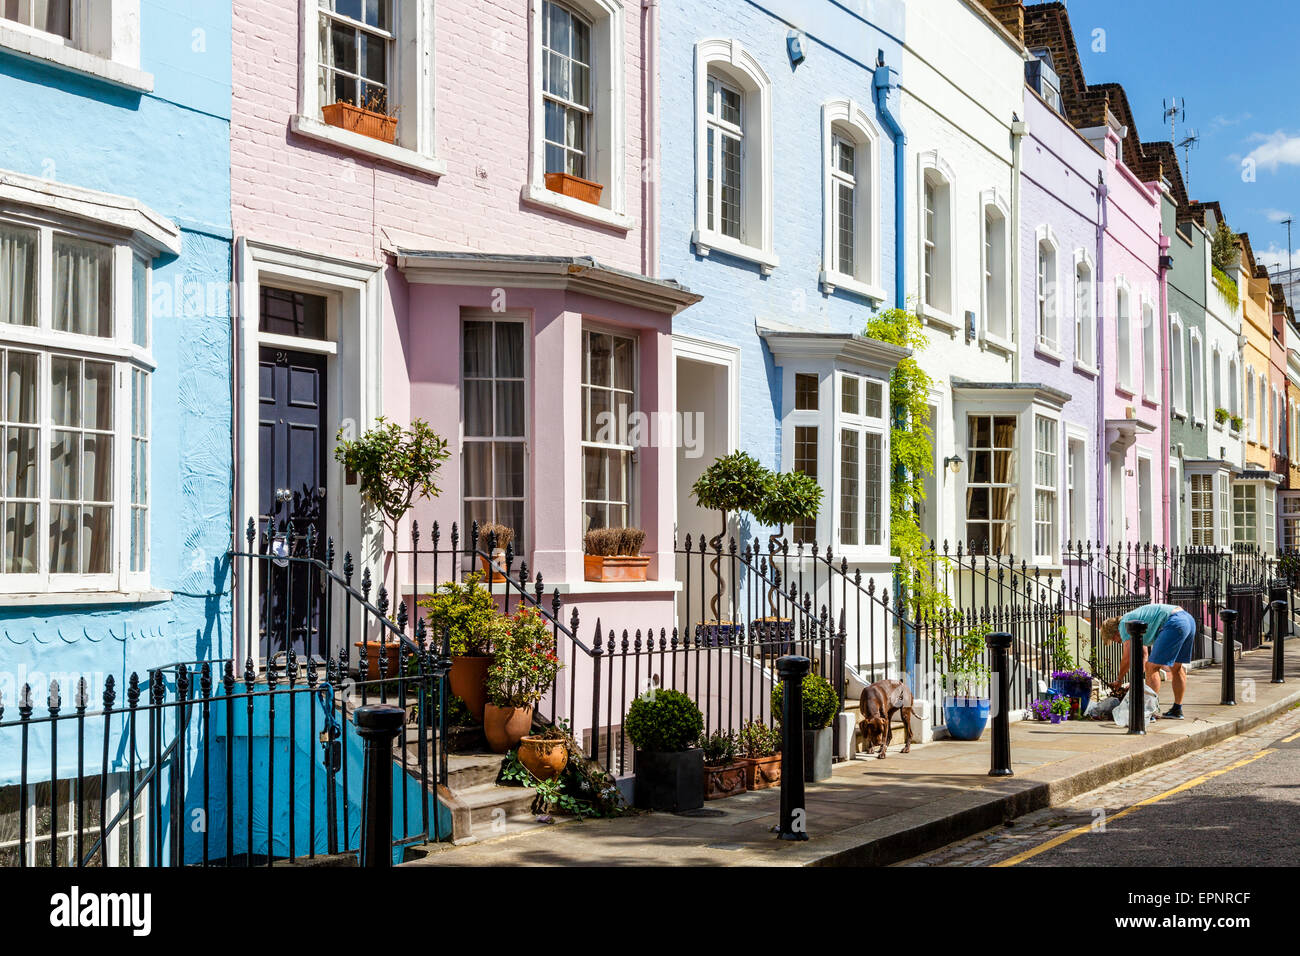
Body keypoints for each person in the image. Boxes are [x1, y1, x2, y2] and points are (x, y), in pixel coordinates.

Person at [1100, 603, 1197, 719]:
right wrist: (1136, 680)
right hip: (1187, 620)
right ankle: (1177, 709)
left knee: (1152, 667)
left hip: (1173, 622)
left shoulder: (1124, 625)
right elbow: (1143, 655)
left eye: (1114, 640)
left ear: (1114, 632)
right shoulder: (1133, 620)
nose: (1118, 642)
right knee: (1176, 668)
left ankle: (1148, 713)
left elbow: (1127, 658)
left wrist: (1119, 680)